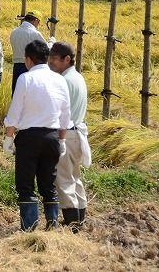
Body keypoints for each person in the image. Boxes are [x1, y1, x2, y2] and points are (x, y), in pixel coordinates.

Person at [3, 40, 71, 231]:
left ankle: (29, 229)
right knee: (48, 184)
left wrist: (9, 138)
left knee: (25, 185)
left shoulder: (26, 78)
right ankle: (52, 226)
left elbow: (15, 113)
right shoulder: (60, 79)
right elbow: (66, 115)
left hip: (29, 138)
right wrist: (62, 140)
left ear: (28, 60)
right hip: (52, 138)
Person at [48, 42, 91, 232]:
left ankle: (72, 223)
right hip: (76, 134)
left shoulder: (64, 81)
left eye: (54, 59)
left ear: (67, 59)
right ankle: (80, 218)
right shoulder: (77, 77)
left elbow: (56, 110)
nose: (51, 63)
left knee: (64, 180)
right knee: (75, 178)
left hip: (67, 134)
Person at [9, 10, 49, 95]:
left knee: (17, 94)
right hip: (30, 67)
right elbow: (45, 50)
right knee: (30, 96)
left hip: (16, 66)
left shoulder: (14, 32)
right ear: (36, 20)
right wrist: (52, 43)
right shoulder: (34, 33)